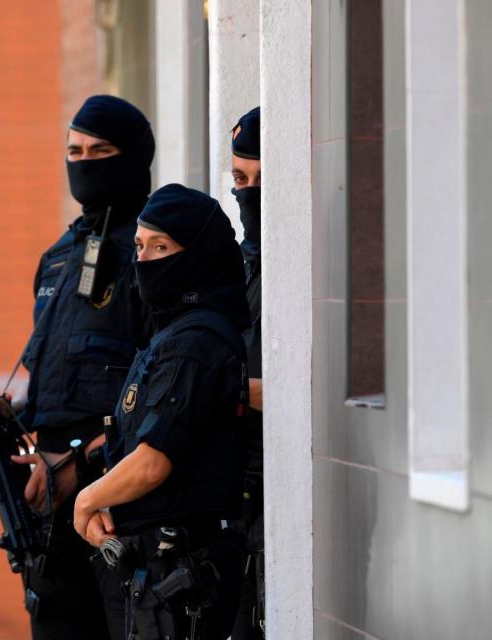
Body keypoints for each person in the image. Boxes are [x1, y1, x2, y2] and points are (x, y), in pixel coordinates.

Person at [0, 95, 153, 640]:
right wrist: (4, 413)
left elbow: (162, 384)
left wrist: (80, 463)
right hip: (49, 495)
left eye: (101, 150)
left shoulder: (152, 249)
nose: (84, 162)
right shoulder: (60, 256)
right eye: (74, 151)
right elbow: (55, 374)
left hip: (121, 493)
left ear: (133, 157)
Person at [73, 184, 250, 640]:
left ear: (196, 255)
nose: (145, 259)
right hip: (156, 574)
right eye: (139, 245)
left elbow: (153, 462)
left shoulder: (194, 344)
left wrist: (87, 500)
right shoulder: (171, 337)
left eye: (162, 246)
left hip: (183, 576)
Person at [228, 106, 265, 640]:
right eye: (239, 179)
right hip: (229, 499)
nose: (249, 192)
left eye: (261, 179)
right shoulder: (230, 268)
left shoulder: (311, 263)